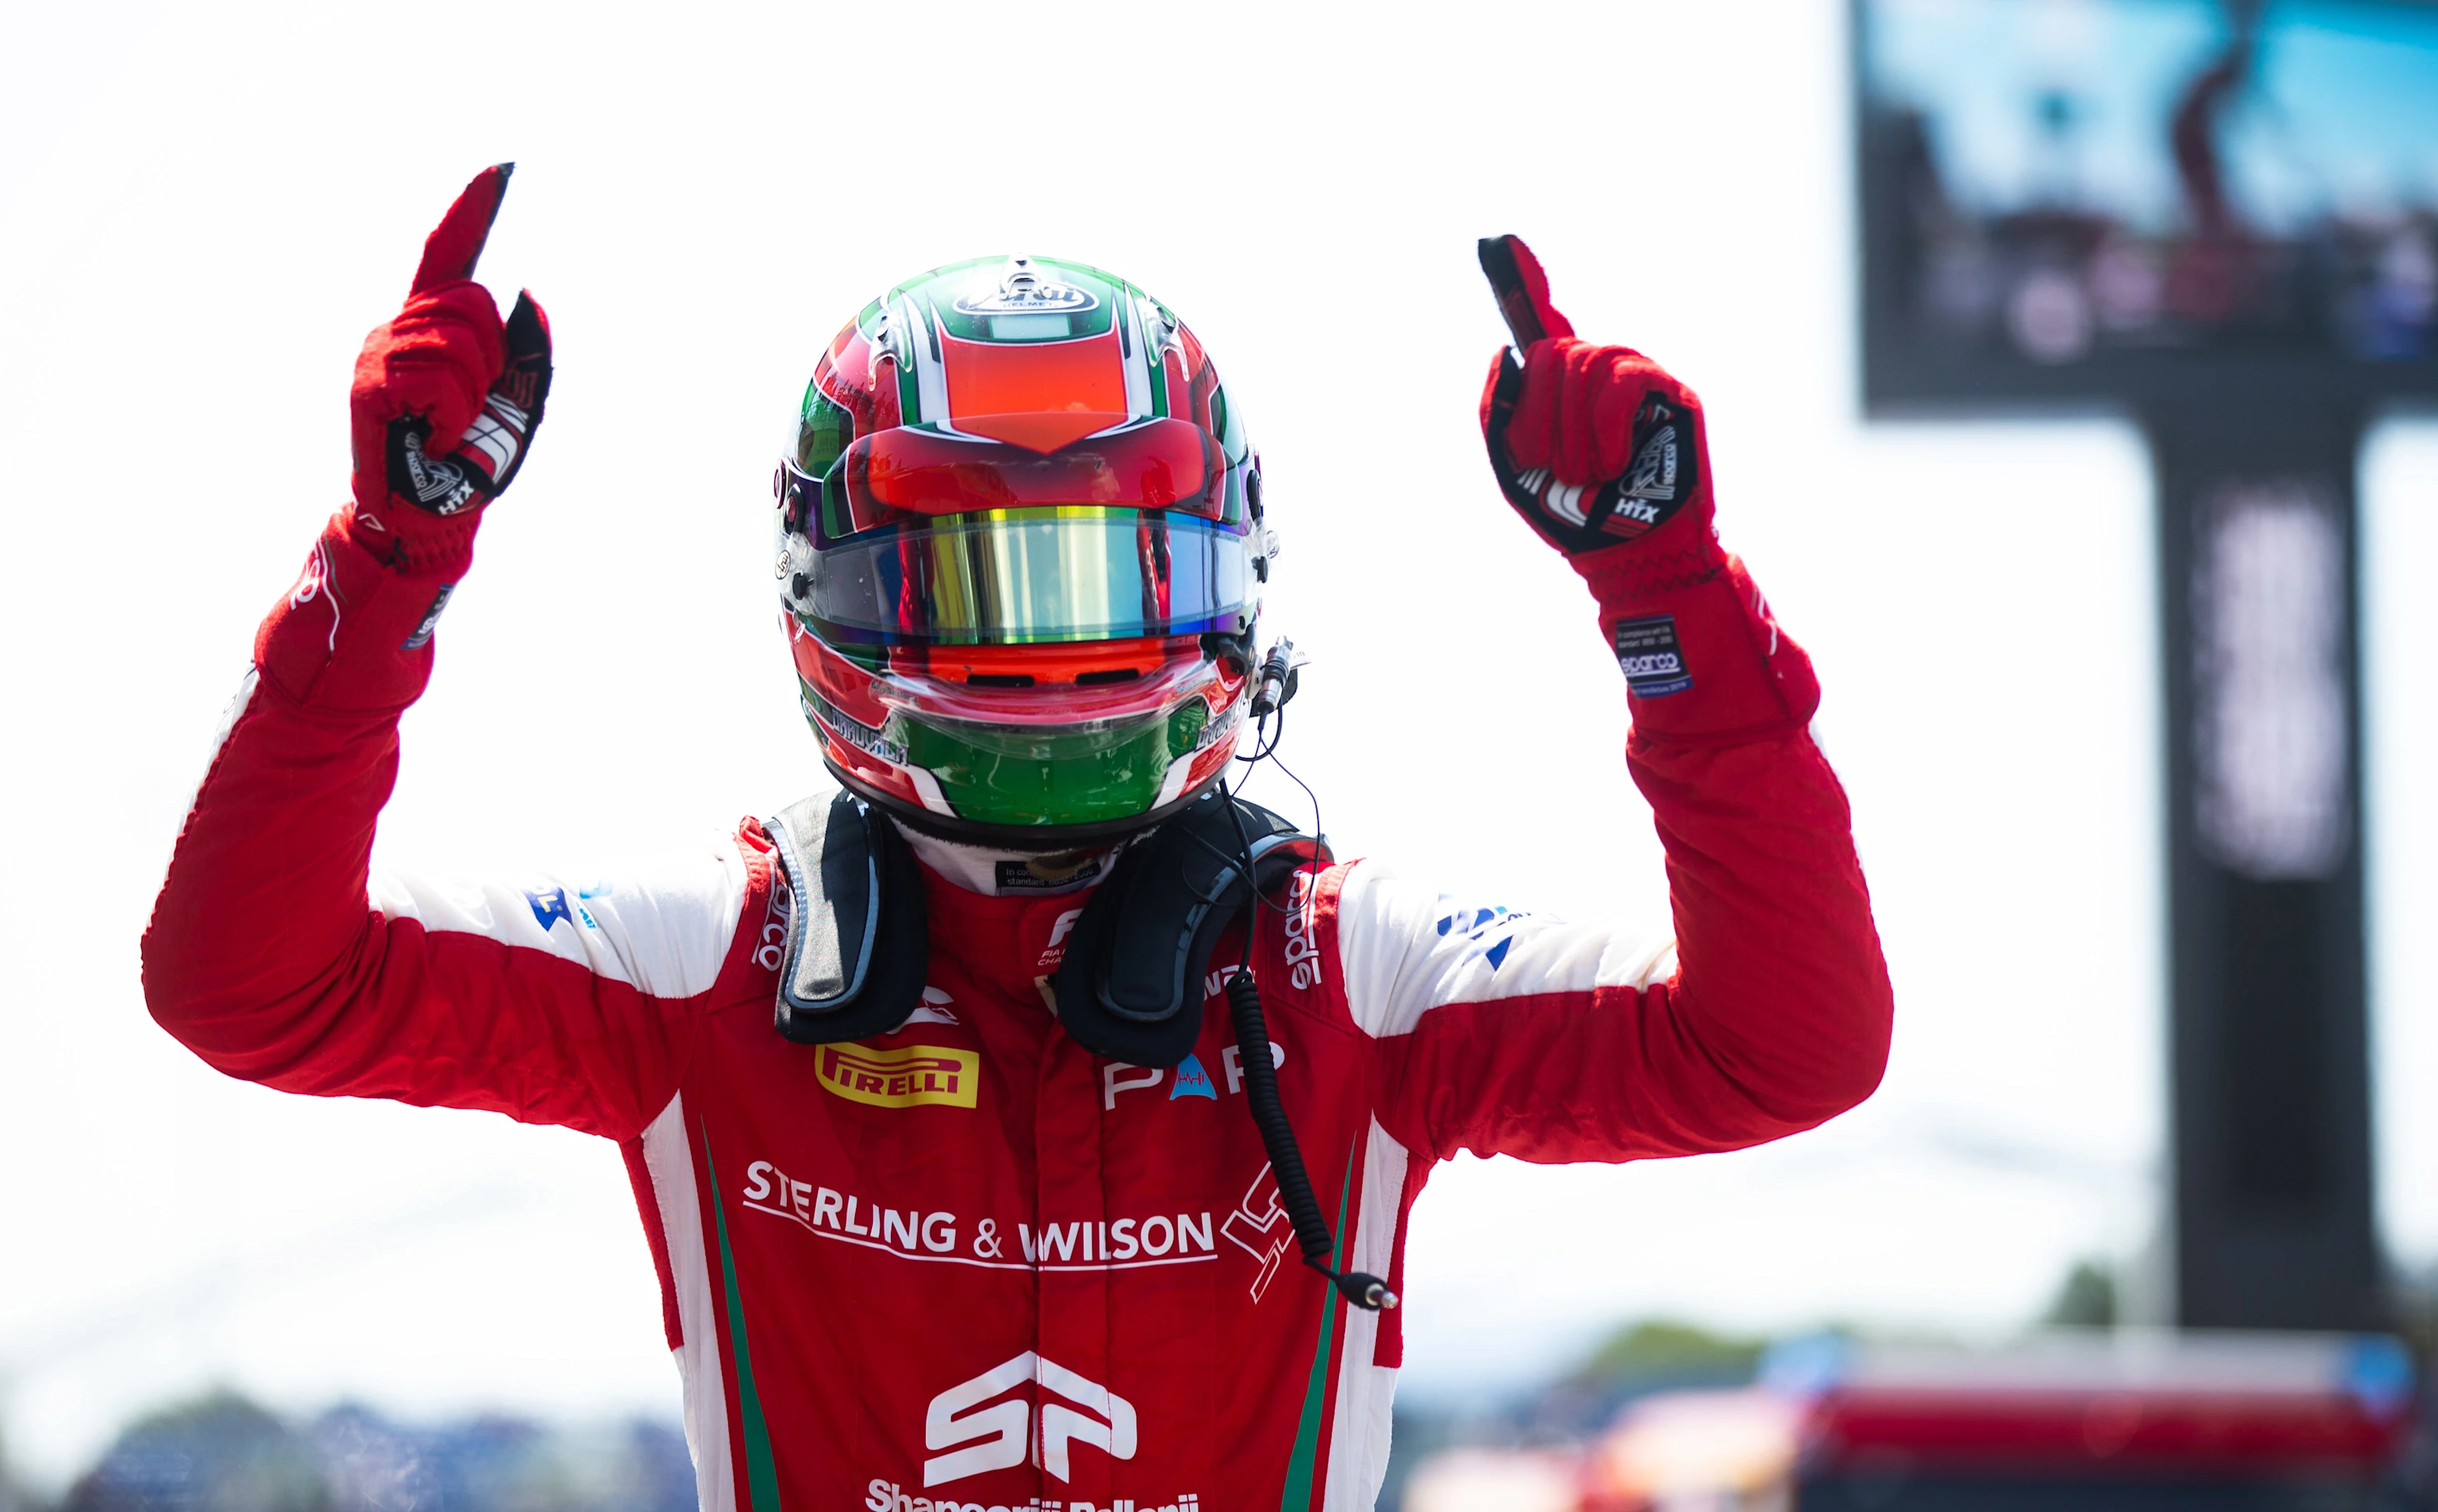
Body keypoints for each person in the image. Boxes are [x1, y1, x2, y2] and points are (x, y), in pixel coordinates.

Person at [142, 165, 1891, 1511]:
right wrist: (385, 561)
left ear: (1227, 573)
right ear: (834, 583)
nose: (1054, 643)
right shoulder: (706, 956)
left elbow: (1783, 1050)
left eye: (1114, 569)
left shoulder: (1345, 969)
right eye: (987, 573)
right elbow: (247, 986)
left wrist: (1668, 592)